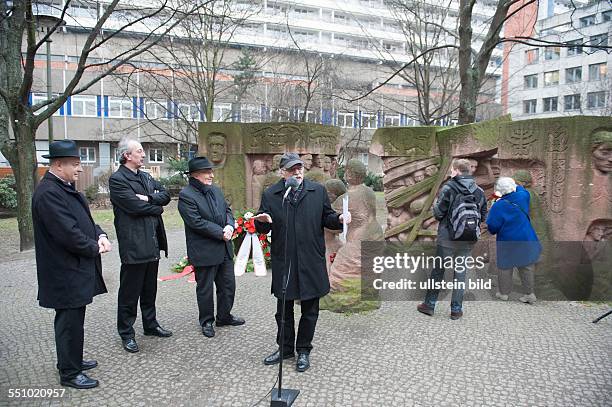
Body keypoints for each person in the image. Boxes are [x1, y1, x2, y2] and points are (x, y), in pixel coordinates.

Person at [254, 152, 351, 372]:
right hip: (285, 260)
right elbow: (263, 224)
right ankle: (286, 347)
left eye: (299, 168)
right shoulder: (272, 194)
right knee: (283, 310)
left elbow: (327, 217)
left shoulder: (317, 191)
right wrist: (262, 222)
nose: (297, 172)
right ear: (282, 172)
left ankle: (304, 350)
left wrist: (338, 219)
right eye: (291, 169)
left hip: (310, 259)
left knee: (310, 310)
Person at [33, 139, 111, 389]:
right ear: (58, 165)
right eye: (75, 164)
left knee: (74, 319)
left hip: (73, 267)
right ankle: (69, 373)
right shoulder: (48, 194)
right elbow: (67, 232)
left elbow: (85, 221)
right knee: (68, 322)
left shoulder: (65, 188)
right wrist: (94, 248)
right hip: (63, 270)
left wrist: (100, 234)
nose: (80, 169)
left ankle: (72, 360)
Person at [109, 138, 172, 354]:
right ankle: (126, 333)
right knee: (129, 292)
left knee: (149, 289)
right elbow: (133, 207)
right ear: (127, 155)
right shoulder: (118, 180)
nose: (143, 155)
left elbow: (165, 196)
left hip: (152, 242)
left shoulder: (145, 177)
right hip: (134, 244)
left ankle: (150, 325)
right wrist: (154, 206)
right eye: (139, 151)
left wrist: (148, 199)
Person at [178, 157, 244, 338]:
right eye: (208, 172)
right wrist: (220, 232)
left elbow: (227, 210)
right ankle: (206, 321)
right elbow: (196, 222)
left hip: (223, 248)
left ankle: (224, 316)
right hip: (204, 250)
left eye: (211, 172)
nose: (212, 175)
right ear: (195, 175)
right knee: (205, 288)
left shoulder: (215, 190)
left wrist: (230, 225)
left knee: (228, 285)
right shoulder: (186, 195)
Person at [417, 158, 487, 320]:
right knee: (461, 272)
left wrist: (437, 206)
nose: (450, 173)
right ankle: (456, 309)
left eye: (451, 170)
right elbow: (483, 215)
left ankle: (429, 305)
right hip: (468, 238)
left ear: (456, 171)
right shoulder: (479, 191)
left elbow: (439, 213)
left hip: (447, 238)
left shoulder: (448, 188)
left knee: (438, 270)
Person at [486, 177, 542, 304]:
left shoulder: (498, 205)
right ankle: (529, 294)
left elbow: (492, 227)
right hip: (526, 237)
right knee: (526, 265)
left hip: (507, 239)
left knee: (505, 265)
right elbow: (519, 188)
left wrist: (495, 200)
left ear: (499, 190)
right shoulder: (523, 196)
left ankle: (503, 293)